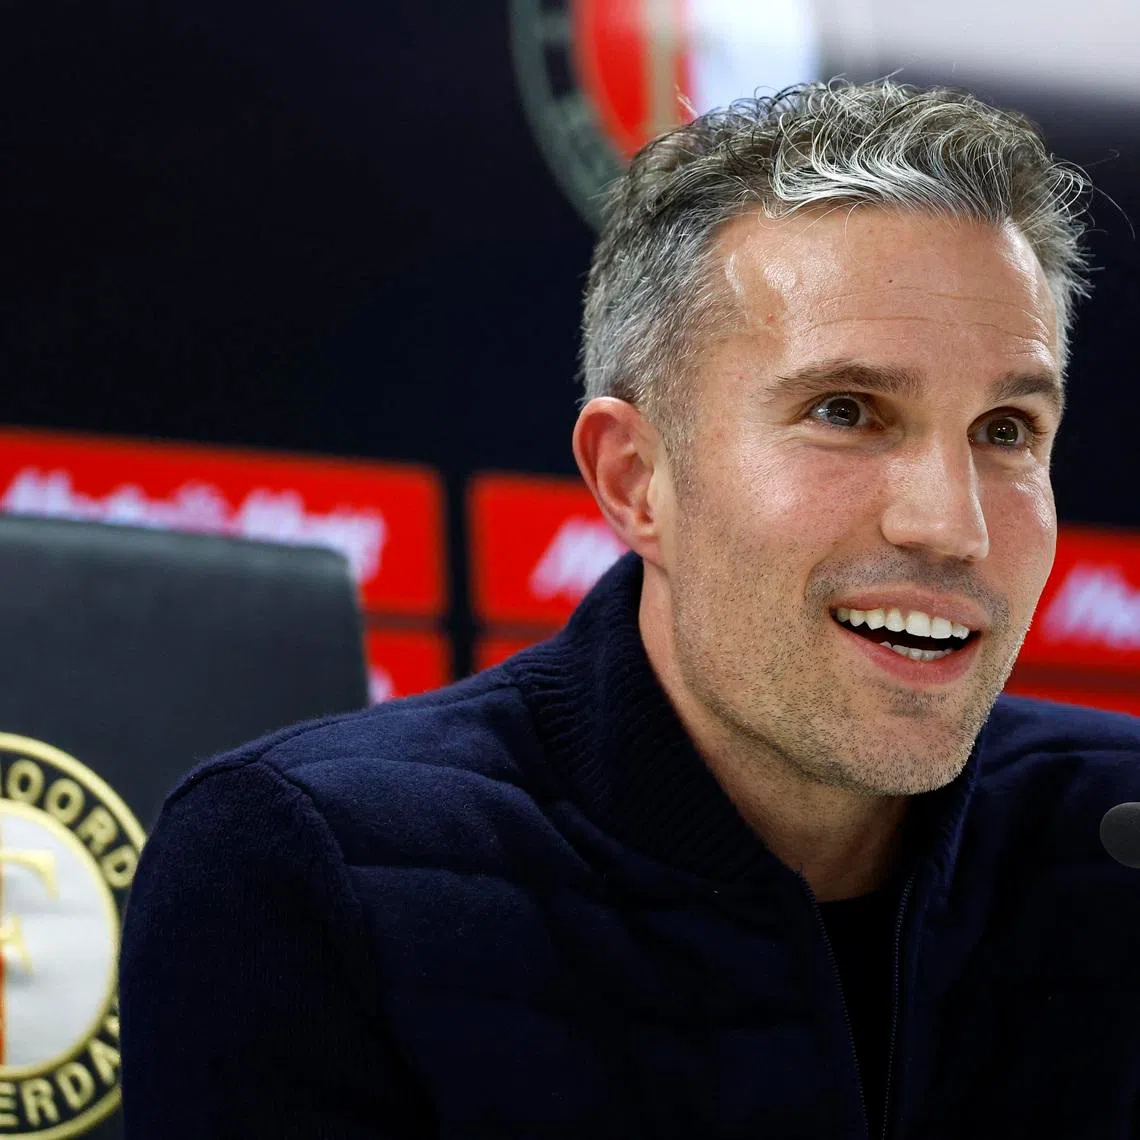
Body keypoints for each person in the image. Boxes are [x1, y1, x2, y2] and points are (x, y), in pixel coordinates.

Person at [120, 81, 1140, 1139]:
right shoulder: (306, 873)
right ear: (635, 478)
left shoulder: (1120, 837)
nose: (952, 525)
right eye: (846, 412)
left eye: (1009, 430)